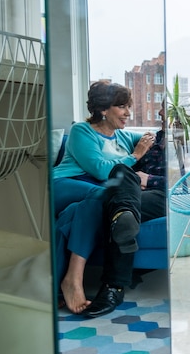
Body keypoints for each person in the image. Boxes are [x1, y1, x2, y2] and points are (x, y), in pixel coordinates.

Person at [52, 81, 156, 316]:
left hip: (90, 199)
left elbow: (153, 138)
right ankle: (73, 279)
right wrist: (135, 156)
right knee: (104, 195)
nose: (128, 113)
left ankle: (64, 283)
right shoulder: (82, 131)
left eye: (128, 106)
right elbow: (100, 170)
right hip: (65, 184)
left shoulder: (123, 136)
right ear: (103, 109)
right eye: (121, 107)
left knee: (74, 214)